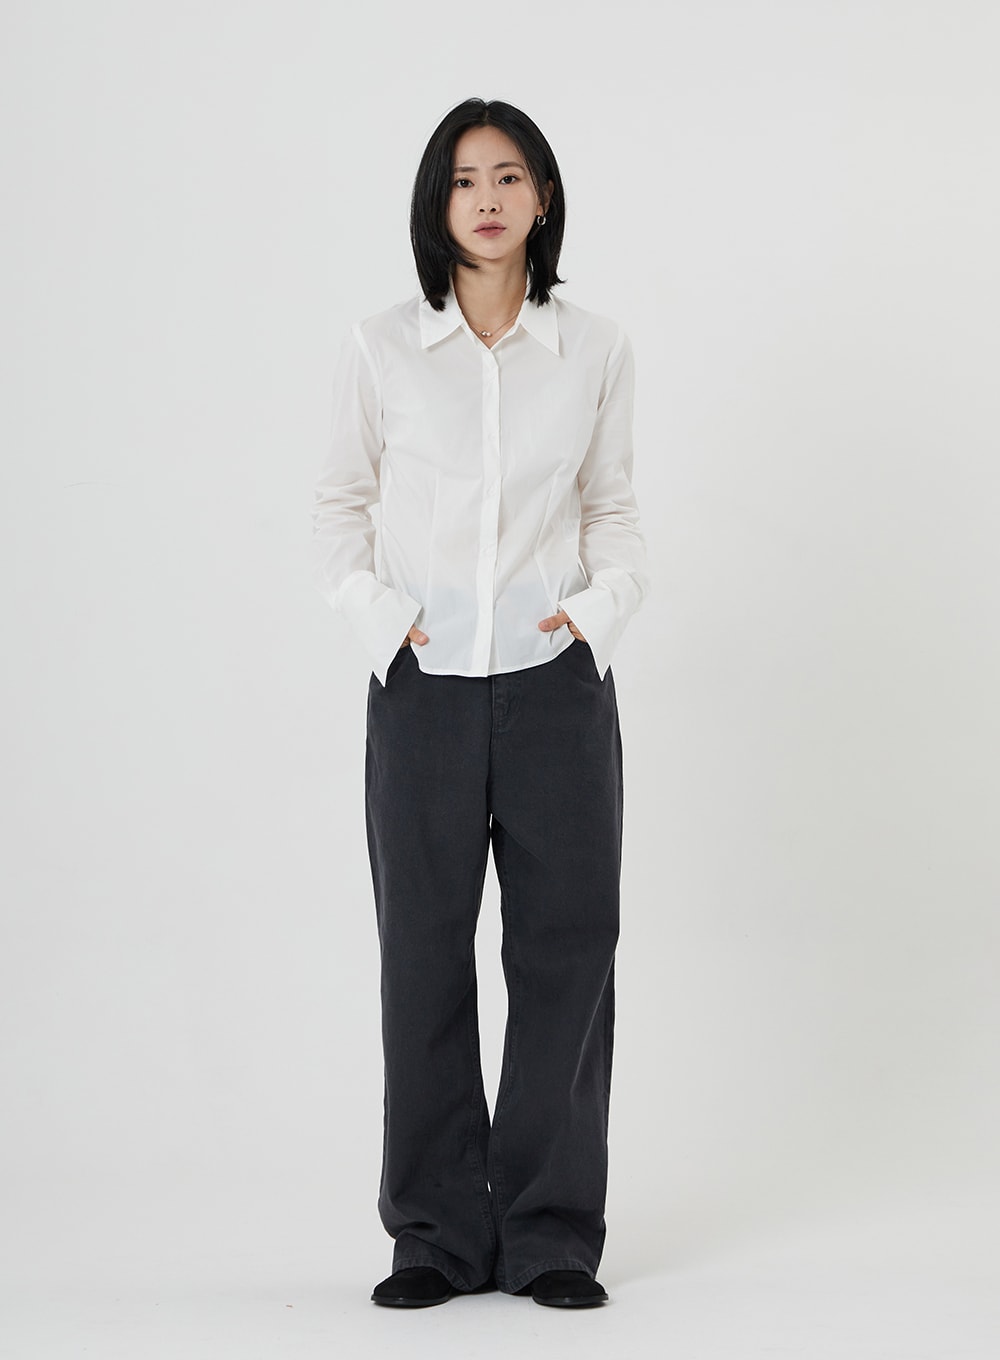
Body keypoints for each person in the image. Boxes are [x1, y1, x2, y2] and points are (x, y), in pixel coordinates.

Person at [309, 97, 649, 1309]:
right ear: (436, 204)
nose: (487, 199)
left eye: (509, 177)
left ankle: (550, 1230)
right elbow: (337, 505)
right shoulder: (381, 347)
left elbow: (613, 507)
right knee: (422, 956)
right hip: (423, 690)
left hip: (557, 687)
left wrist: (596, 615)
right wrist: (382, 618)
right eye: (463, 180)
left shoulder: (594, 348)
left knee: (568, 949)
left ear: (542, 198)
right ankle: (437, 1234)